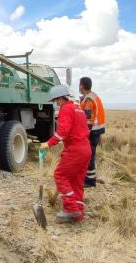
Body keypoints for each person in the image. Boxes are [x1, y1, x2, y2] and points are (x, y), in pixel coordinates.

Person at [40, 85, 91, 223]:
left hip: (76, 149)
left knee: (60, 175)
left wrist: (48, 143)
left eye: (56, 100)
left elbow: (63, 131)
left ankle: (70, 209)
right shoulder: (77, 107)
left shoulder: (66, 109)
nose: (56, 103)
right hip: (85, 148)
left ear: (61, 98)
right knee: (76, 181)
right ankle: (78, 213)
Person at [79, 77, 106, 188]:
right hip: (97, 129)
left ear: (81, 86)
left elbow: (88, 119)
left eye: (79, 84)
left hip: (93, 131)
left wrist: (84, 133)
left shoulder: (89, 99)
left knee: (89, 155)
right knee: (90, 155)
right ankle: (90, 178)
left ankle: (90, 182)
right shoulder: (92, 96)